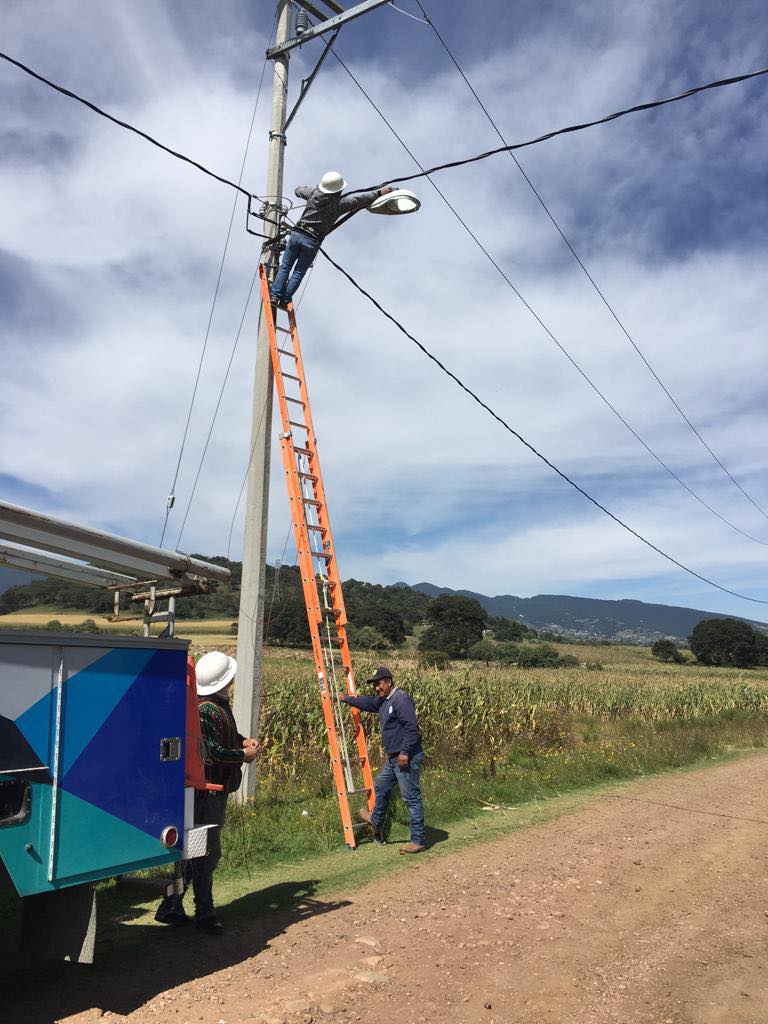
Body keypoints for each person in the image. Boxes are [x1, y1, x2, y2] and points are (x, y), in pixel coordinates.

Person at [155, 651, 259, 935]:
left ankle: (172, 904)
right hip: (208, 793)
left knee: (193, 851)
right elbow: (211, 751)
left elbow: (219, 738)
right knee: (207, 852)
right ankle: (205, 911)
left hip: (207, 791)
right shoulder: (208, 710)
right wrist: (242, 754)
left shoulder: (210, 706)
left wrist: (241, 740)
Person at [269, 171, 395, 307]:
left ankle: (275, 296)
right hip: (312, 242)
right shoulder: (341, 204)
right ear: (339, 190)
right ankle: (285, 300)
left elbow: (298, 190)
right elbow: (361, 199)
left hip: (297, 234)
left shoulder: (313, 194)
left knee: (285, 268)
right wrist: (379, 193)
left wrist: (315, 190)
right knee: (298, 273)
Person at [342, 666, 426, 854]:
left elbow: (412, 729)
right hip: (394, 758)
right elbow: (367, 702)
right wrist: (346, 699)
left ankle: (418, 840)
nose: (376, 688)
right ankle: (376, 821)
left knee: (411, 797)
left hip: (406, 757)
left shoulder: (400, 699)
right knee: (381, 785)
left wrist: (405, 752)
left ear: (388, 681)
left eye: (379, 684)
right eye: (374, 685)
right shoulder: (383, 701)